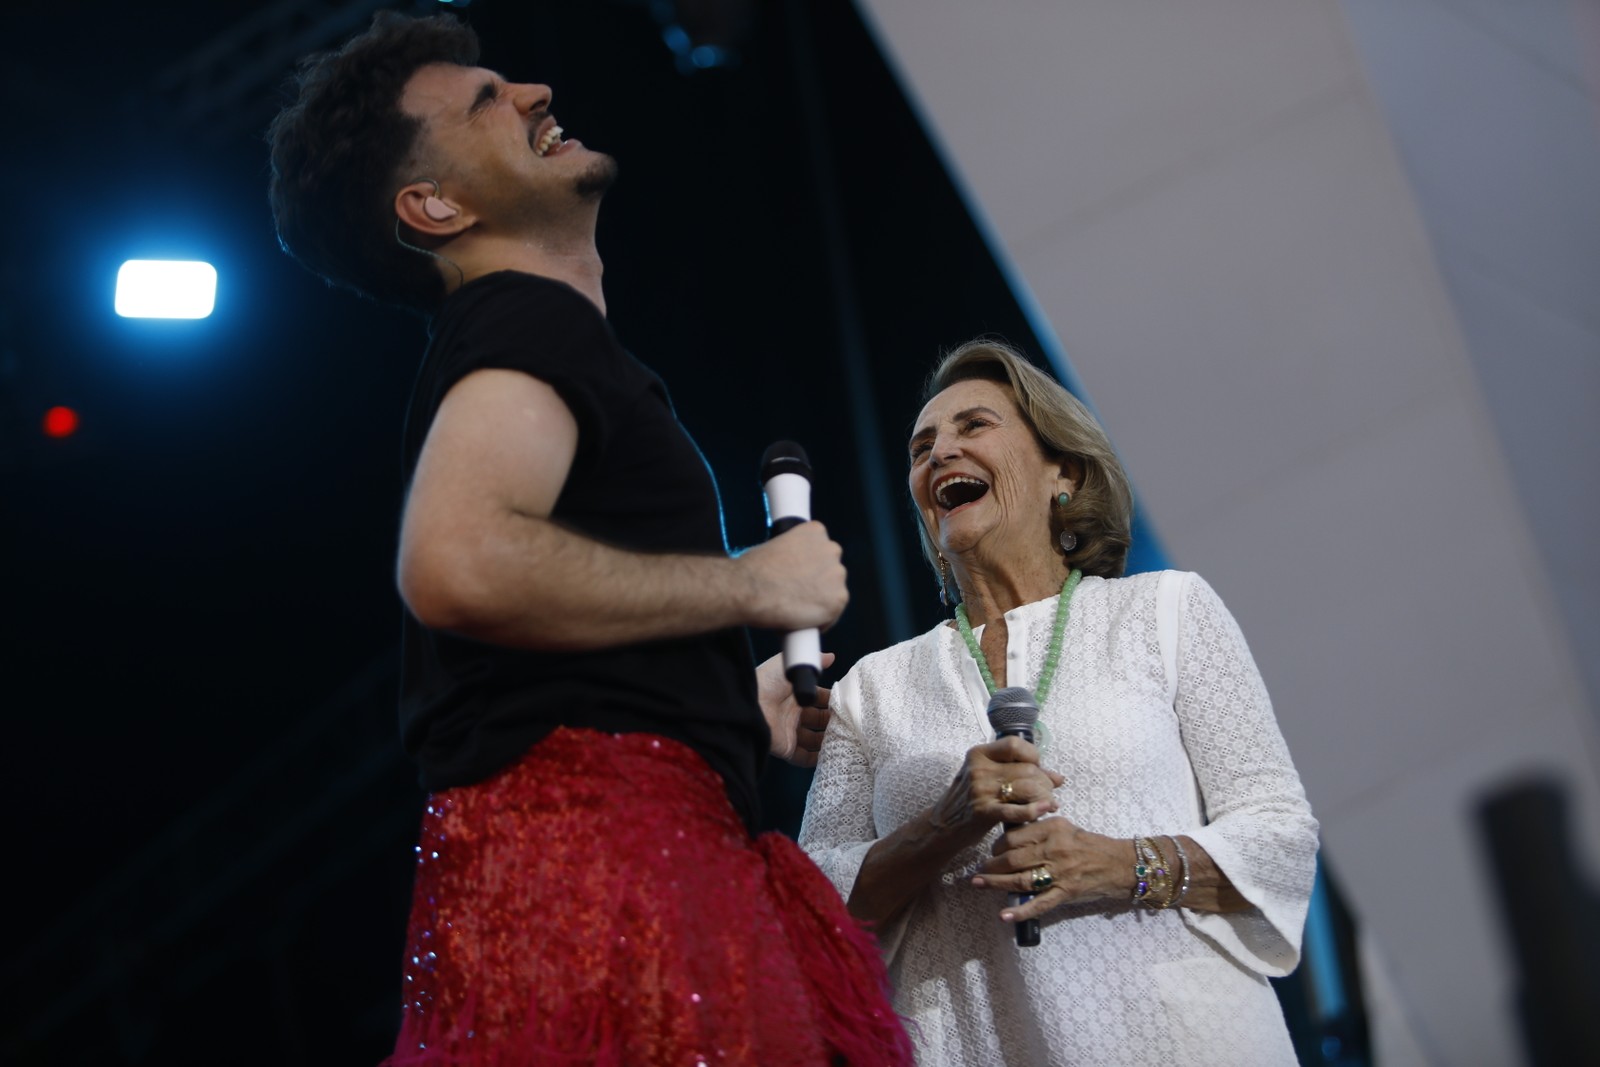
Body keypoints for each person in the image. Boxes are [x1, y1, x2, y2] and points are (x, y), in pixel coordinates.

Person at [266, 11, 913, 1066]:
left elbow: (533, 656)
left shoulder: (531, 339)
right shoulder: (523, 321)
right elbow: (457, 561)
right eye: (484, 102)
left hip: (589, 860)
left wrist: (721, 702)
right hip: (608, 872)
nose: (531, 93)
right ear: (433, 206)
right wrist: (749, 583)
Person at [798, 339, 1320, 1065]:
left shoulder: (1166, 611)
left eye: (973, 426)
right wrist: (945, 823)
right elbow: (807, 907)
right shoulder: (873, 687)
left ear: (1062, 473)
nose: (940, 452)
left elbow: (1281, 835)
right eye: (921, 447)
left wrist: (1121, 863)